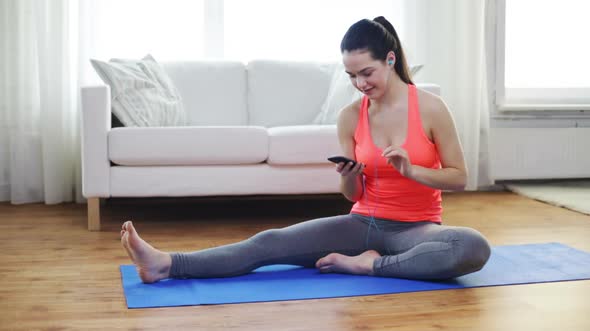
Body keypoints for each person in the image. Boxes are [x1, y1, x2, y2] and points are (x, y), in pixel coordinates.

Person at [121, 16, 491, 283]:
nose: (359, 83)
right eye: (351, 75)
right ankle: (167, 264)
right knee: (270, 241)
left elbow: (459, 177)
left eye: (367, 73)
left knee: (472, 246)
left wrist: (412, 171)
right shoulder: (350, 116)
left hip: (417, 230)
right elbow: (355, 194)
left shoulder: (430, 107)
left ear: (390, 60)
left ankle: (367, 266)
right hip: (361, 224)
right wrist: (348, 178)